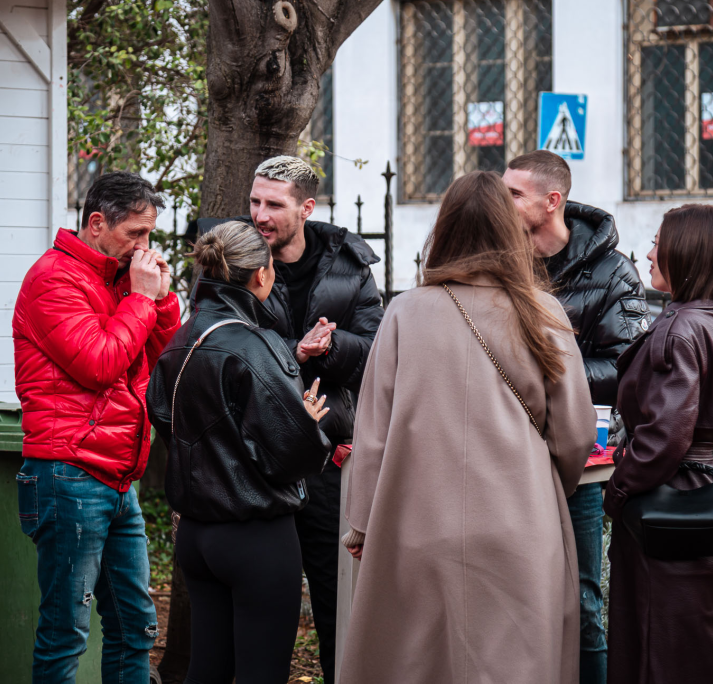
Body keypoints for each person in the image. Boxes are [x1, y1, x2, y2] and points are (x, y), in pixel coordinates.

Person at [338, 171, 596, 684]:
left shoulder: (405, 313)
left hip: (415, 523)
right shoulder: (542, 312)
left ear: (445, 229)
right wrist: (547, 487)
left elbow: (373, 434)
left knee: (415, 665)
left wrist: (363, 522)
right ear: (508, 229)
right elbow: (575, 433)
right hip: (521, 522)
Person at [186, 155, 383, 682]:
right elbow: (209, 340)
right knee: (243, 622)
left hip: (323, 460)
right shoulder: (230, 258)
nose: (260, 214)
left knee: (335, 602)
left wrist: (333, 345)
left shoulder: (349, 267)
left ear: (306, 207)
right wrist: (285, 358)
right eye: (255, 201)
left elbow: (377, 353)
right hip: (250, 464)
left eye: (274, 204)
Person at [146, 221, 333, 684]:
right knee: (260, 674)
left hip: (196, 536)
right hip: (256, 536)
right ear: (261, 276)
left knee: (207, 670)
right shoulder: (256, 344)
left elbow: (163, 417)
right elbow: (291, 458)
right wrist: (307, 425)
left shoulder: (181, 339)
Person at [13, 172, 180, 683]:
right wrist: (140, 301)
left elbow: (165, 358)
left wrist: (163, 300)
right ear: (96, 224)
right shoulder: (53, 279)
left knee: (136, 625)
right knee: (67, 633)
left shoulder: (120, 281)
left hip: (116, 477)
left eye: (150, 235)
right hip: (68, 474)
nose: (144, 247)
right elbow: (99, 364)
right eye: (135, 234)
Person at [503, 150, 649, 684]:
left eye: (515, 193)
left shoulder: (612, 271)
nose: (504, 201)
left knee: (584, 596)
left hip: (584, 460)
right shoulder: (500, 259)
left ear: (552, 201)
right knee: (513, 590)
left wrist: (538, 371)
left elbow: (624, 364)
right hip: (510, 452)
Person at [604, 203, 713, 684]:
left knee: (658, 658)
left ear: (686, 252)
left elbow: (664, 436)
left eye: (658, 243)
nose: (648, 254)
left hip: (668, 520)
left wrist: (619, 494)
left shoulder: (678, 326)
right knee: (708, 655)